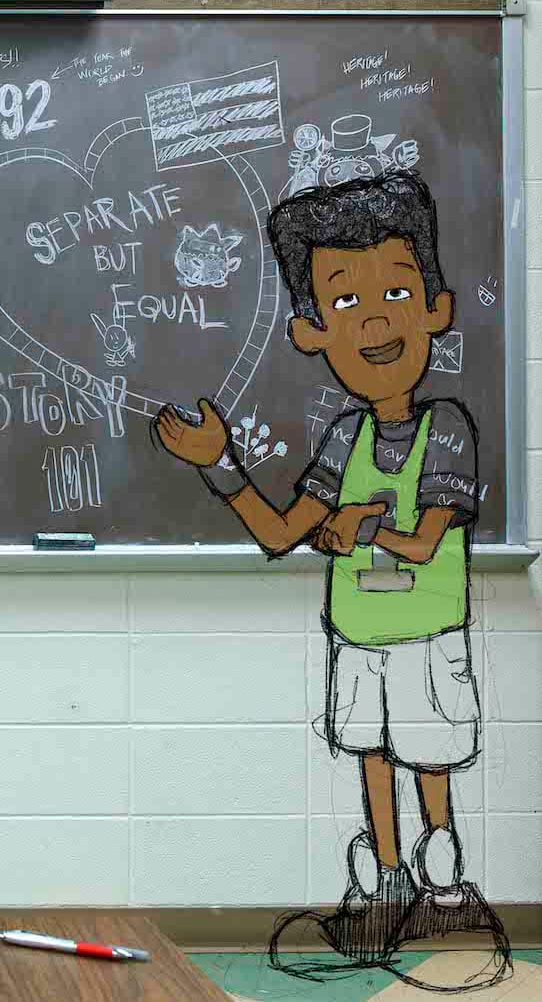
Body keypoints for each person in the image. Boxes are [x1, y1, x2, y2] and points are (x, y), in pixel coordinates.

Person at [152, 171, 505, 981]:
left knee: (431, 756)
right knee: (371, 756)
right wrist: (223, 467)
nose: (374, 319)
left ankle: (444, 887)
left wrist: (362, 526)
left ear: (436, 307)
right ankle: (384, 885)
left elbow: (427, 541)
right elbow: (282, 532)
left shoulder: (446, 427)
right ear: (311, 332)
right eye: (344, 303)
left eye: (396, 290)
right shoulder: (343, 437)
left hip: (426, 636)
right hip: (359, 639)